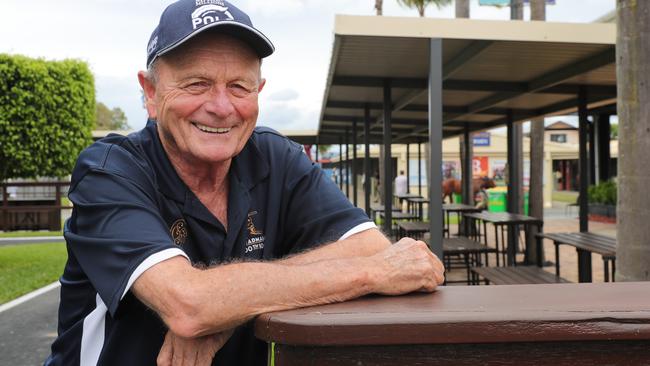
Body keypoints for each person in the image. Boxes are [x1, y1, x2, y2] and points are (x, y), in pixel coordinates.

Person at [44, 1, 445, 365]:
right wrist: (373, 273)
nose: (221, 107)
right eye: (195, 83)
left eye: (239, 86)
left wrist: (225, 315)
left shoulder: (275, 156)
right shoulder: (109, 169)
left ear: (259, 92)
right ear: (150, 92)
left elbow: (368, 247)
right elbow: (189, 304)